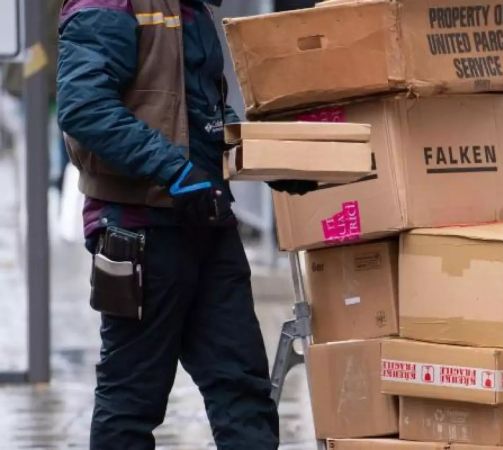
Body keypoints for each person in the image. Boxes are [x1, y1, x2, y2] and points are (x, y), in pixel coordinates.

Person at [57, 1, 313, 448]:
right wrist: (175, 173)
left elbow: (200, 117)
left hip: (207, 224)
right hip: (140, 231)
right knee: (131, 402)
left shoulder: (191, 8)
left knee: (243, 389)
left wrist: (272, 160)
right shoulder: (112, 4)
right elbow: (84, 106)